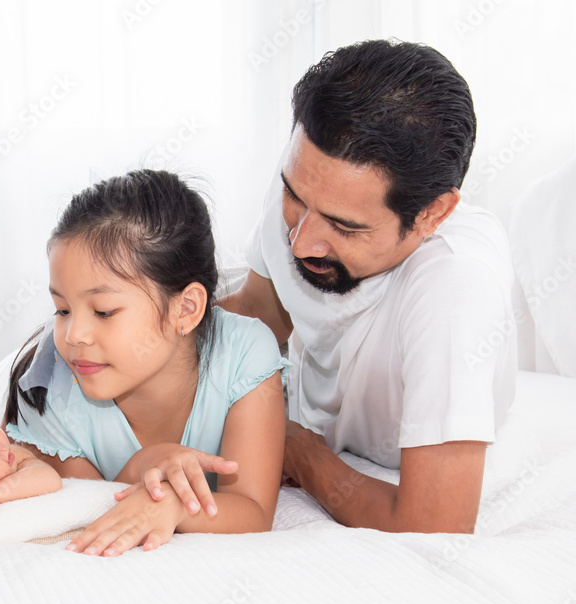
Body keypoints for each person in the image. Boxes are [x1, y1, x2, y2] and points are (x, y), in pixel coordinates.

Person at [219, 40, 517, 533]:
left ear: (432, 214)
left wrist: (299, 452)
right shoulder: (318, 174)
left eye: (344, 227)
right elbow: (259, 314)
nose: (301, 243)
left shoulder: (454, 286)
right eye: (294, 198)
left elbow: (435, 525)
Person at [0, 169, 290, 556]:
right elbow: (95, 506)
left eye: (104, 311)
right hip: (21, 381)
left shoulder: (246, 354)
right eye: (61, 308)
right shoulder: (49, 395)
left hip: (83, 366)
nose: (74, 334)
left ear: (185, 309)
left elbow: (254, 511)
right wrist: (143, 463)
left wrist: (172, 504)